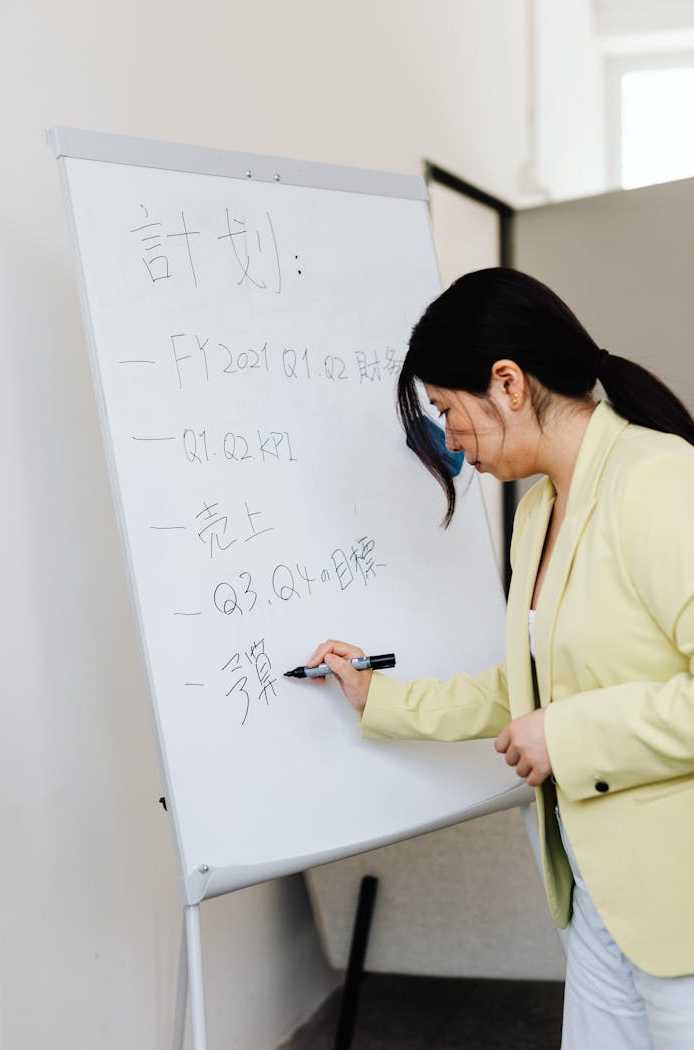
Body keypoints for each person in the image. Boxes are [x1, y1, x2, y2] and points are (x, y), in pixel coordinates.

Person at [306, 268, 694, 1050]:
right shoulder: (540, 511)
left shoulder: (661, 483)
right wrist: (377, 698)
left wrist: (570, 737)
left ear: (508, 383)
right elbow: (527, 683)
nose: (448, 439)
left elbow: (560, 715)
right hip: (594, 897)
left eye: (448, 410)